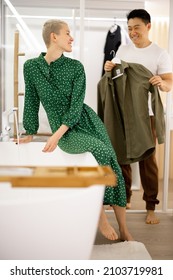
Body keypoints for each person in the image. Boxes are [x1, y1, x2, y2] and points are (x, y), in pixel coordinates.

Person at [17, 19, 133, 241]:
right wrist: (29, 132)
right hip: (67, 132)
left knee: (111, 160)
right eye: (67, 33)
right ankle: (100, 217)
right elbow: (31, 100)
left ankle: (125, 229)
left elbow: (76, 106)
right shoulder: (31, 67)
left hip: (84, 120)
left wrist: (56, 135)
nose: (72, 38)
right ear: (54, 37)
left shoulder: (75, 67)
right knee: (97, 150)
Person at [104, 9, 173, 224]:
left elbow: (170, 83)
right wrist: (109, 67)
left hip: (147, 114)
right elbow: (115, 77)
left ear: (148, 26)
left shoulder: (160, 53)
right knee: (122, 156)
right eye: (130, 28)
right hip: (123, 112)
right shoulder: (123, 49)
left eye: (137, 28)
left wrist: (162, 83)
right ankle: (125, 198)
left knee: (147, 159)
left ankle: (151, 206)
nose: (133, 32)